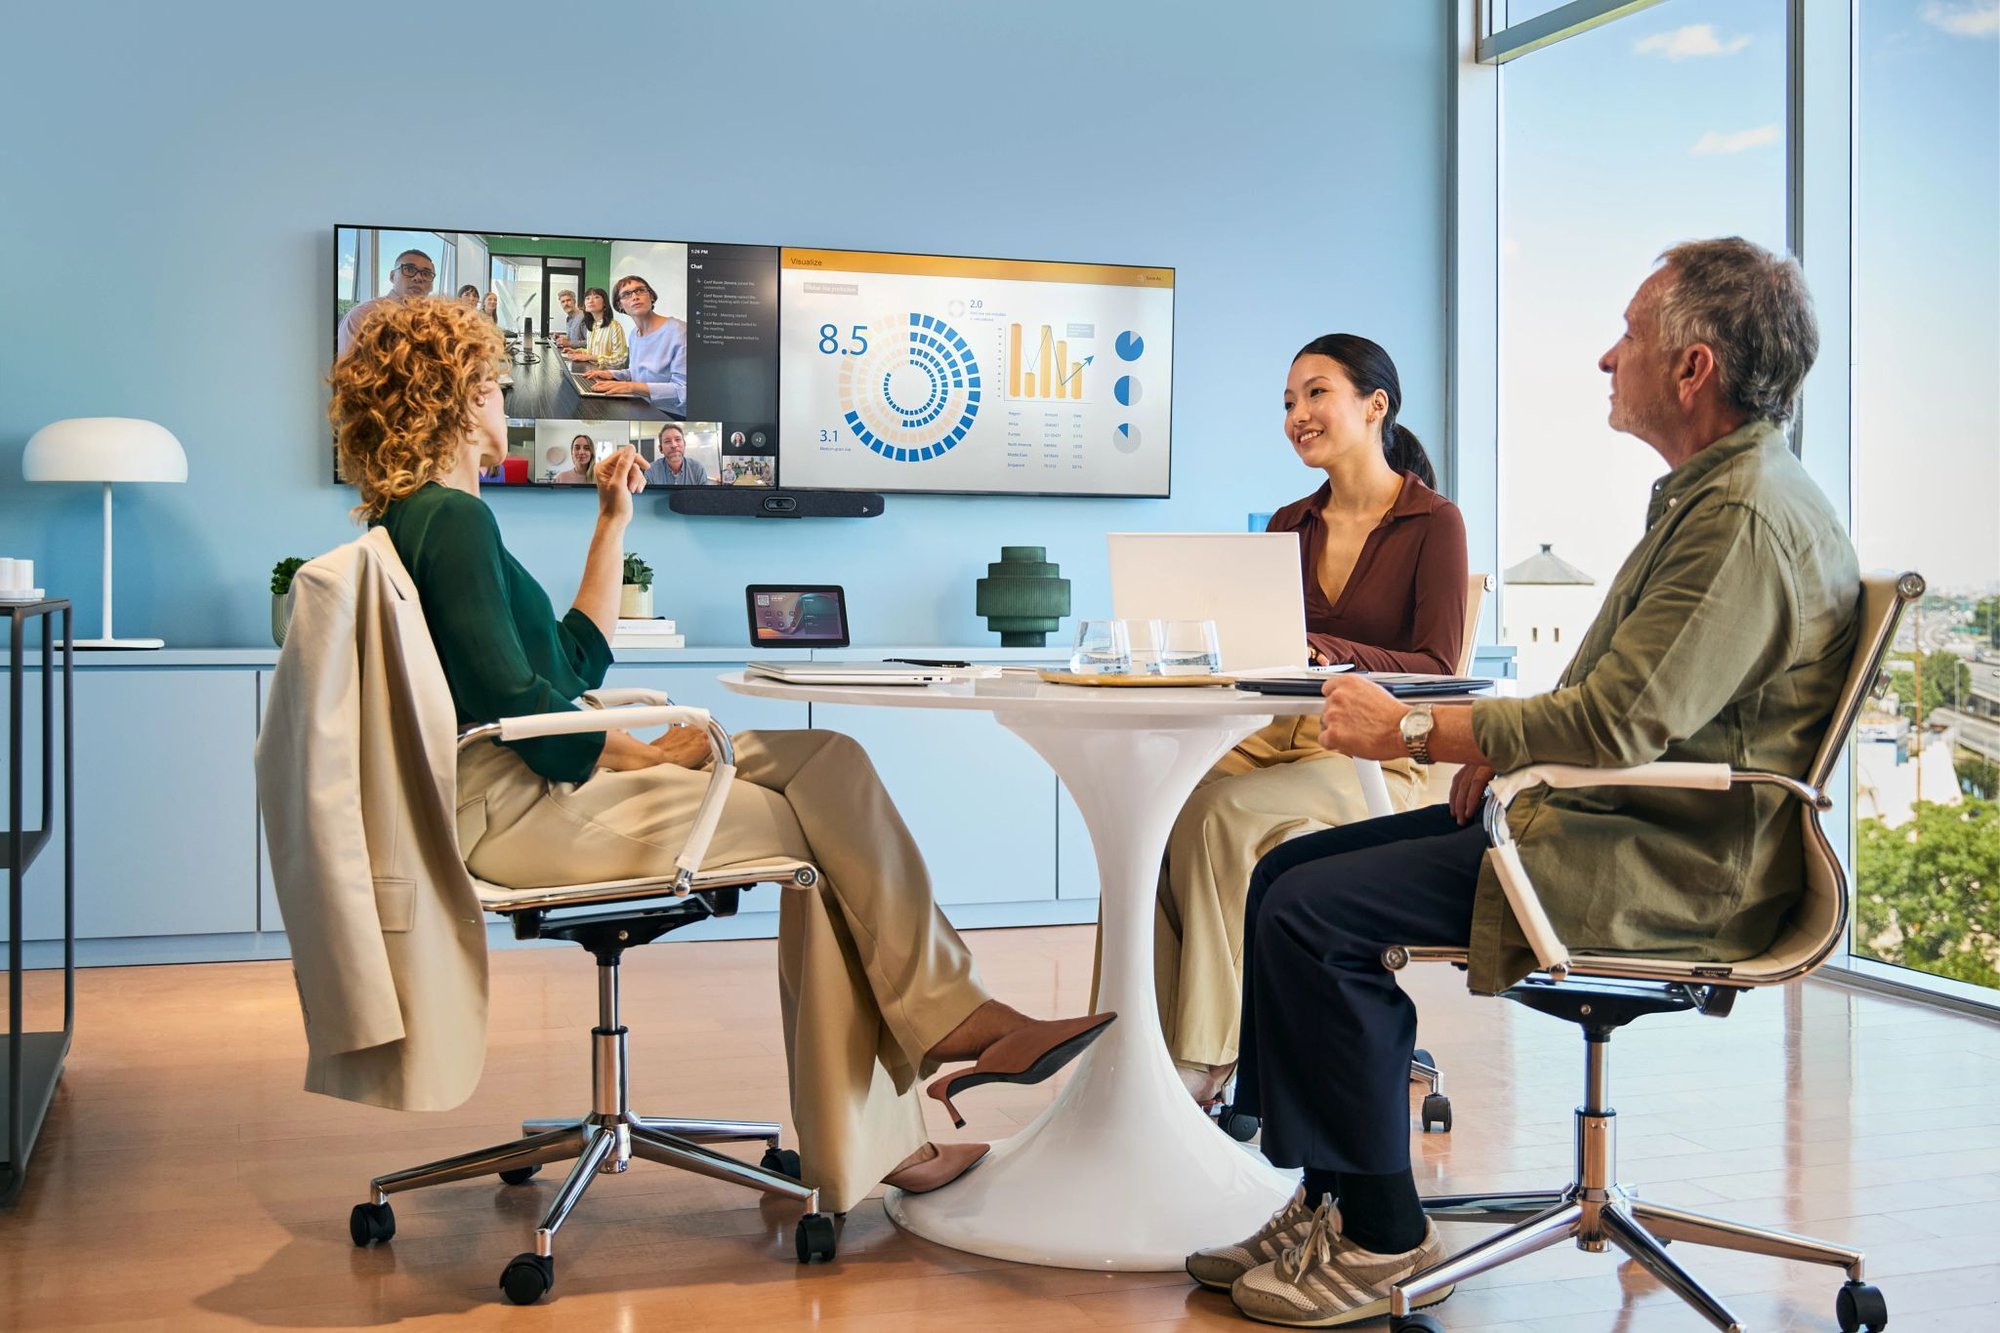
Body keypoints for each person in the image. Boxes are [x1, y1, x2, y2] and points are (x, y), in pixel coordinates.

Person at [1186, 237, 1860, 1327]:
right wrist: (1504, 756)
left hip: (1660, 861)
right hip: (1610, 819)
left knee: (1312, 911)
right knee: (1284, 873)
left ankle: (1381, 1233)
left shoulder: (1737, 518)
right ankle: (1327, 1193)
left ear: (1693, 368)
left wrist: (1421, 728)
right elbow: (1627, 707)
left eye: (1629, 335)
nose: (1606, 356)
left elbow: (1613, 720)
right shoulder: (1717, 499)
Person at [328, 296, 1112, 1213]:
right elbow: (517, 708)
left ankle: (947, 1028)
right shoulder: (452, 522)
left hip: (519, 791)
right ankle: (918, 1081)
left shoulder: (427, 520)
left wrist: (613, 521)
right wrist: (641, 756)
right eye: (495, 382)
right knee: (812, 833)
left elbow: (571, 664)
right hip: (524, 811)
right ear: (459, 399)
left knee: (825, 761)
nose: (504, 395)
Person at [1146, 335, 1466, 1109]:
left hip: (1375, 753)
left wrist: (1332, 654)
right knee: (1152, 812)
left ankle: (1209, 1057)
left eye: (1316, 392)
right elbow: (1266, 648)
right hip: (1274, 737)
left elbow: (1438, 666)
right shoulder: (1290, 522)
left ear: (1375, 404)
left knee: (1220, 815)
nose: (1298, 414)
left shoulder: (1434, 522)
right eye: (1289, 401)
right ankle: (1139, 1048)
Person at [584, 274, 687, 415]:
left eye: (640, 290)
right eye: (626, 294)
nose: (635, 297)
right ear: (620, 305)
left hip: (670, 413)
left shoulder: (679, 331)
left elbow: (683, 390)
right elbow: (636, 373)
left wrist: (631, 387)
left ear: (651, 296)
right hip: (641, 404)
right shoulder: (634, 334)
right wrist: (611, 373)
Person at [335, 248, 434, 358]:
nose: (418, 278)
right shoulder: (364, 315)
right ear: (392, 276)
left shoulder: (433, 322)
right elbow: (349, 366)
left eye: (426, 274)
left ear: (432, 285)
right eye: (409, 269)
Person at [562, 287, 628, 369]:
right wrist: (578, 351)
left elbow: (620, 358)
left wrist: (589, 357)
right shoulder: (592, 325)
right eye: (587, 298)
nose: (590, 301)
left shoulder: (614, 326)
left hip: (608, 374)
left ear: (604, 303)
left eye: (596, 297)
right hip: (592, 370)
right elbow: (594, 351)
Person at [643, 422, 708, 485]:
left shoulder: (698, 469)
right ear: (661, 448)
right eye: (667, 441)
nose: (674, 445)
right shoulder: (651, 471)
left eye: (678, 439)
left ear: (684, 444)